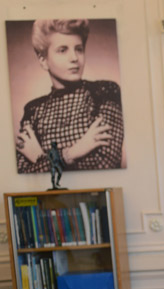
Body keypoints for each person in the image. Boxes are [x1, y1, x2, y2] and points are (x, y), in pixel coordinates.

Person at [15, 19, 124, 174]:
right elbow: (25, 174)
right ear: (43, 60)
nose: (74, 58)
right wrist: (74, 152)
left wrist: (40, 158)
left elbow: (104, 166)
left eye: (79, 49)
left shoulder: (105, 92)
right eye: (63, 50)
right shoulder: (33, 110)